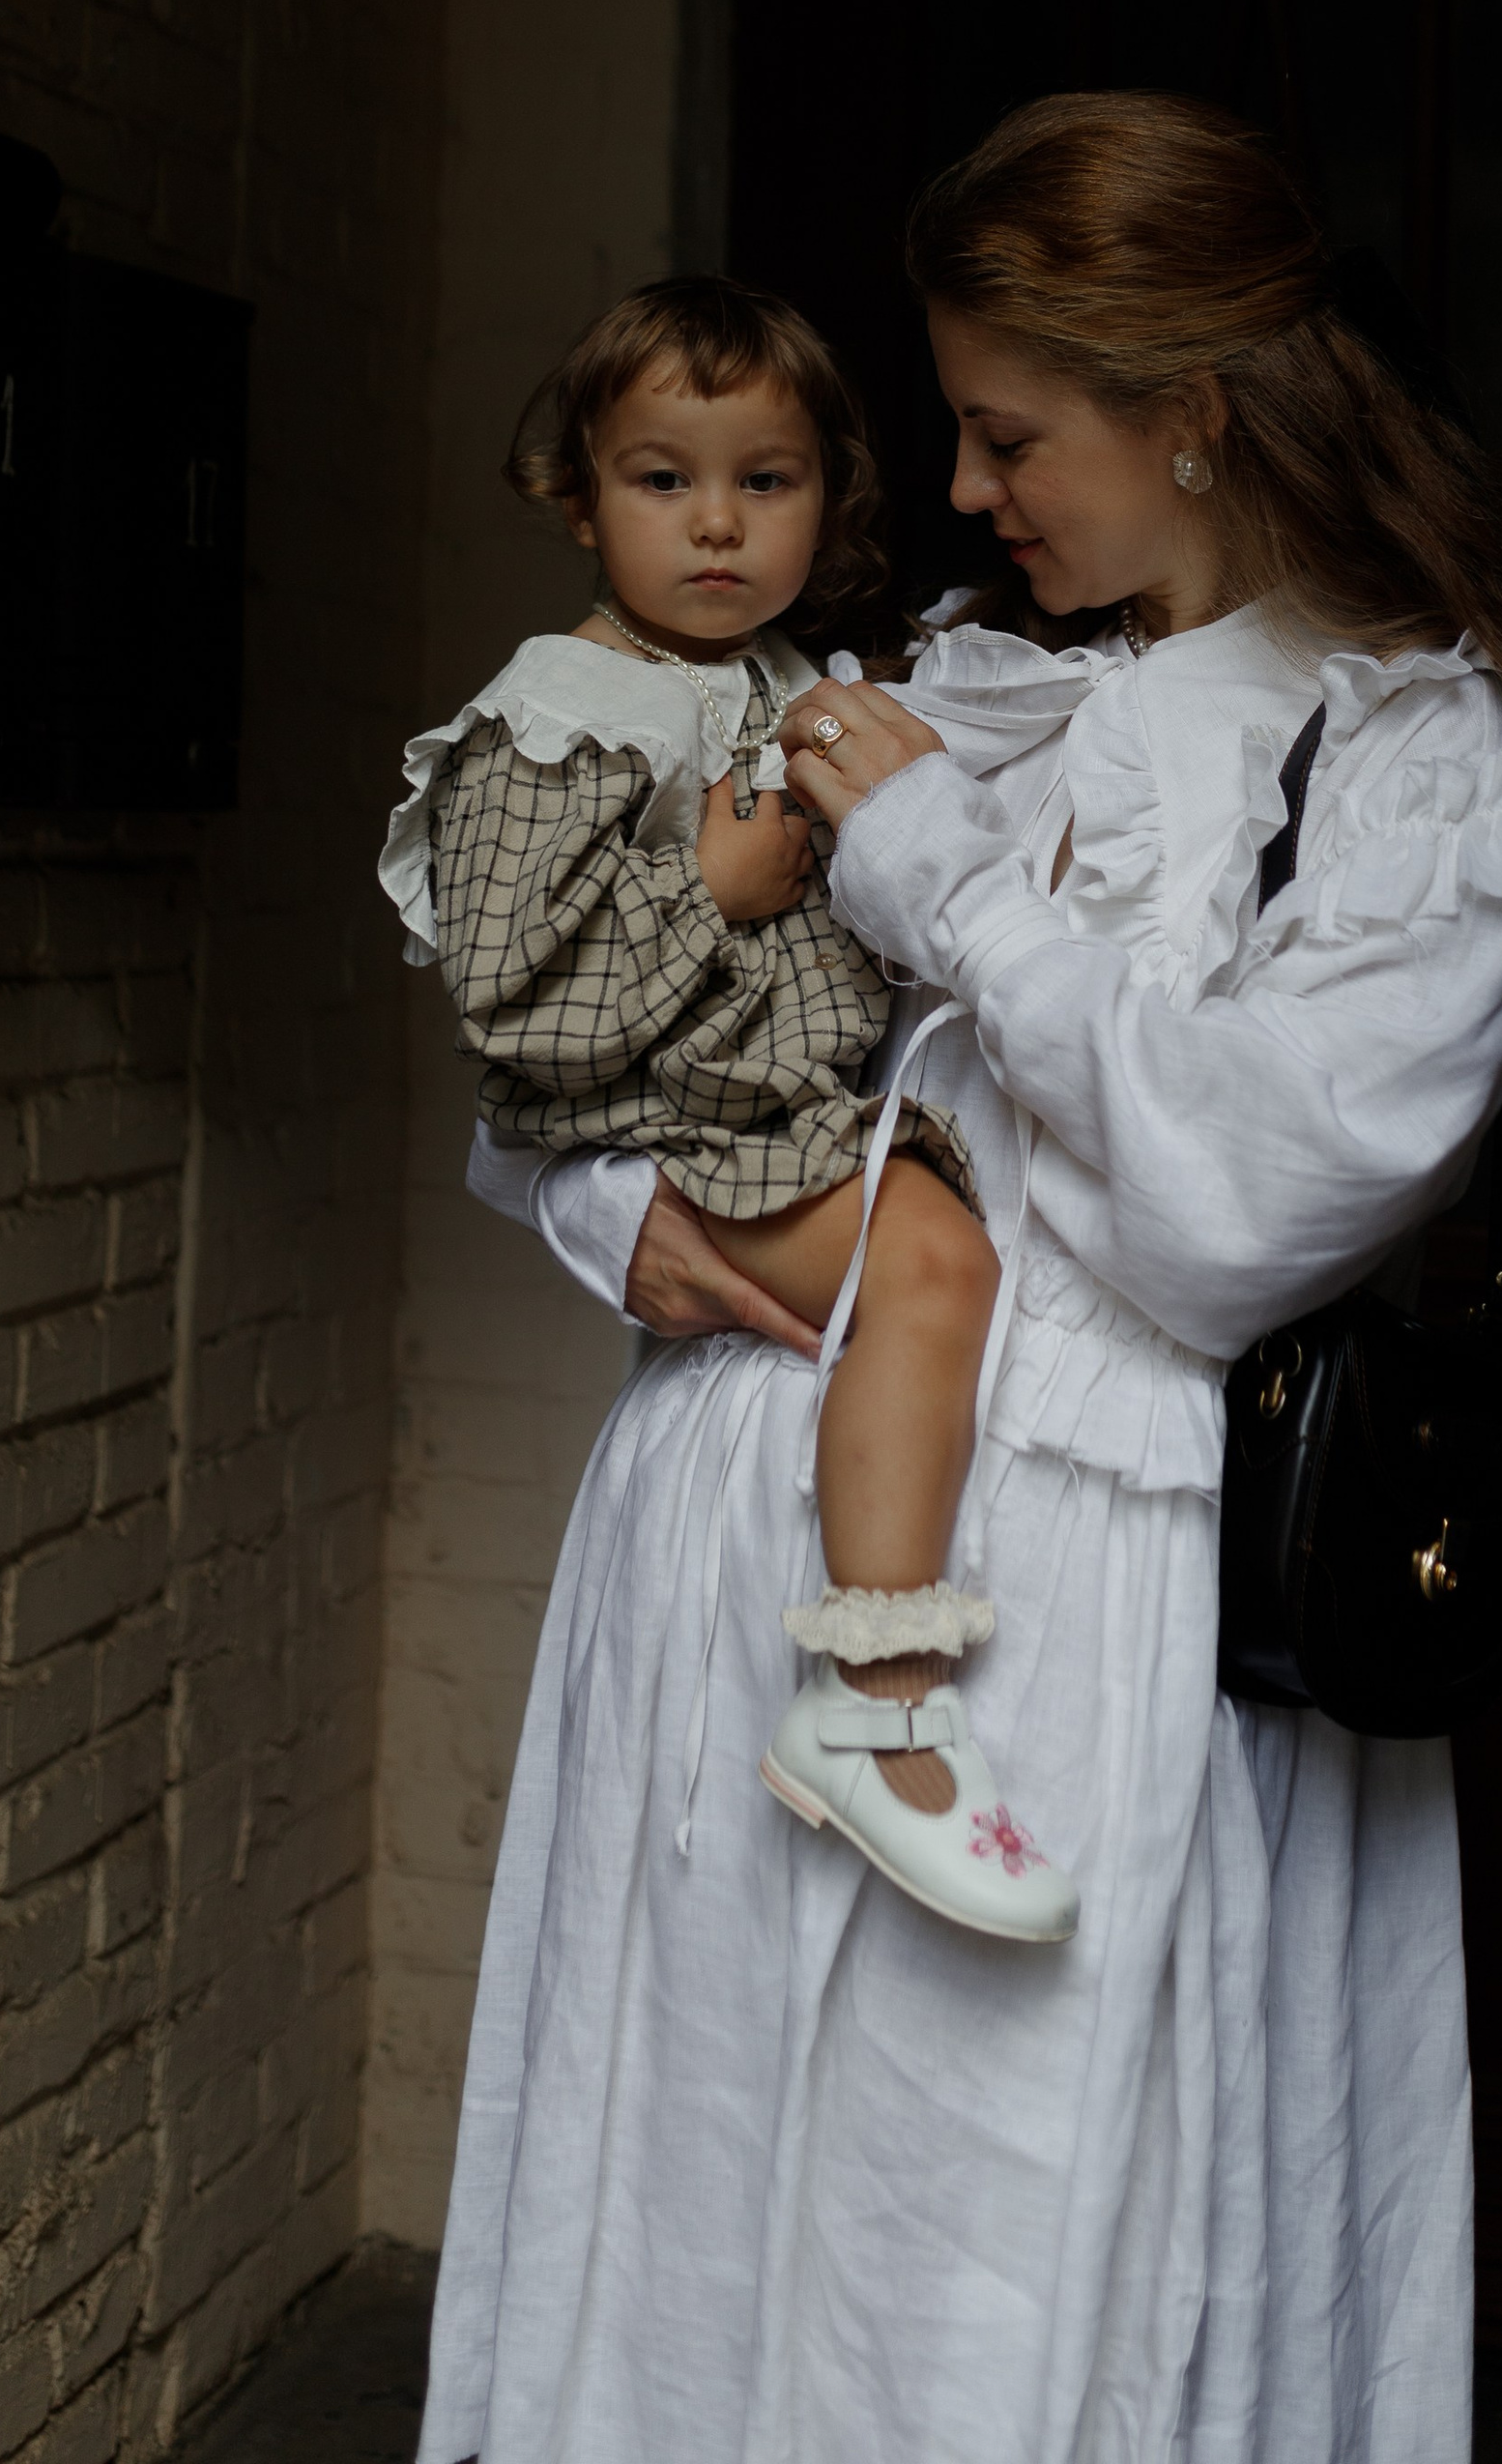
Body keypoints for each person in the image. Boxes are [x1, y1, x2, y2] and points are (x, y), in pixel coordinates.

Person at [414, 94, 1502, 2464]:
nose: (963, 495)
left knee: (970, 2294)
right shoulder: (971, 678)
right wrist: (612, 1222)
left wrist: (942, 879)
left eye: (1007, 431)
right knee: (691, 2245)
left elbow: (1224, 1222)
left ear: (1187, 411)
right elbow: (586, 1037)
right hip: (721, 1575)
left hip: (1078, 1640)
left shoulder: (1418, 774)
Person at [379, 276, 1078, 1941]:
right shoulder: (554, 718)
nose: (715, 526)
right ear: (577, 499)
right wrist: (711, 884)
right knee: (934, 1273)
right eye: (660, 478)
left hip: (782, 1101)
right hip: (702, 1123)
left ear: (828, 495)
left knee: (939, 1268)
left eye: (764, 482)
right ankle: (881, 1697)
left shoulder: (784, 684)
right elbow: (509, 999)